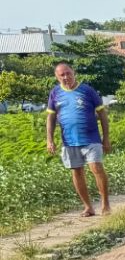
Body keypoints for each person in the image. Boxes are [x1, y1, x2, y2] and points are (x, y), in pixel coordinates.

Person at [45, 63, 111, 216]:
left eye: (68, 73)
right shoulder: (55, 93)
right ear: (57, 77)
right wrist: (49, 140)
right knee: (77, 172)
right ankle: (88, 207)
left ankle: (105, 204)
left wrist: (106, 138)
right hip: (69, 141)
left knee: (96, 168)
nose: (66, 77)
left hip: (91, 138)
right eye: (62, 75)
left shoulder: (87, 90)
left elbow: (102, 114)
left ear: (73, 73)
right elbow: (51, 117)